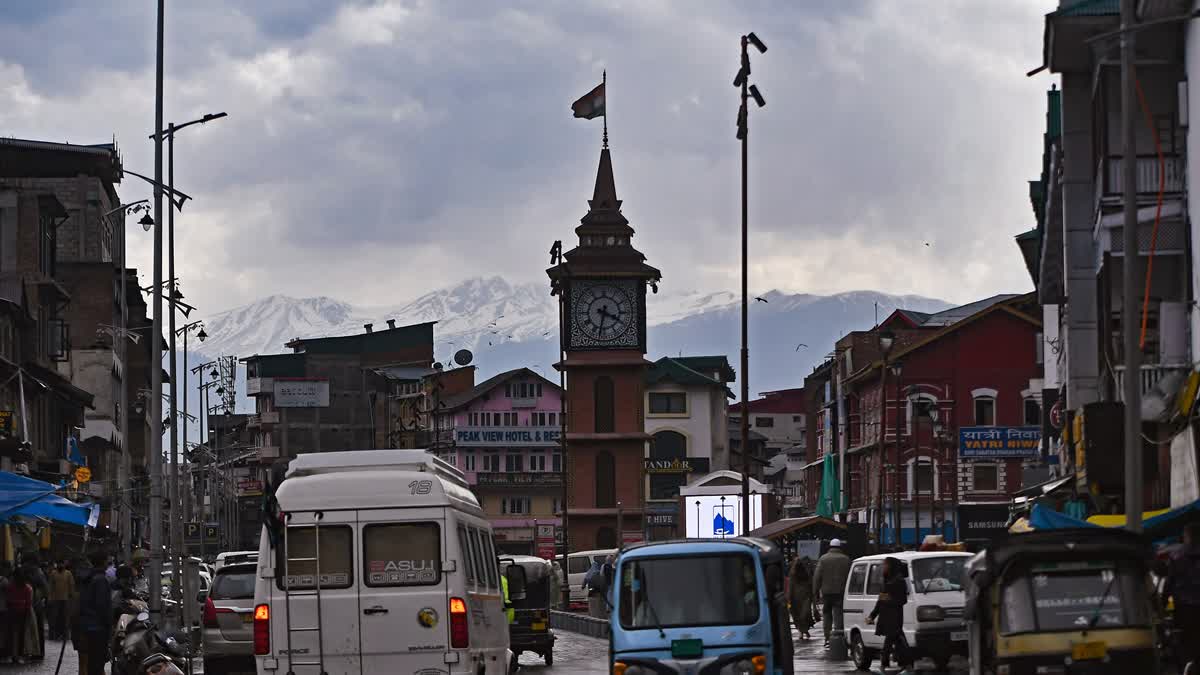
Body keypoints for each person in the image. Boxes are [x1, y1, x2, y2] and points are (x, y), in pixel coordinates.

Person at [866, 557, 911, 671]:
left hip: (895, 616)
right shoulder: (886, 579)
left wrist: (889, 599)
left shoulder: (899, 580)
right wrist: (872, 615)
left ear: (892, 566)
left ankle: (886, 663)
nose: (884, 567)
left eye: (886, 565)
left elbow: (902, 600)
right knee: (897, 640)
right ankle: (905, 663)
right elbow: (880, 600)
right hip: (885, 616)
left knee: (892, 639)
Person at [1165, 522, 1200, 670]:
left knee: (1185, 642)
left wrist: (1161, 603)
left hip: (1183, 608)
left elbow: (1169, 583)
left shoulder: (1176, 555)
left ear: (1186, 536)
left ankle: (1187, 667)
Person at [74, 551, 111, 675]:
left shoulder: (87, 578)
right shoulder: (101, 580)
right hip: (97, 628)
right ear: (104, 562)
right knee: (96, 664)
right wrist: (108, 625)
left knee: (90, 664)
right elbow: (102, 607)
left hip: (84, 625)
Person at [812, 538, 851, 647]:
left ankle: (827, 638)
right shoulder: (846, 559)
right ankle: (838, 637)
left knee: (827, 615)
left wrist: (815, 592)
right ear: (840, 547)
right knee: (838, 614)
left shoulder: (823, 559)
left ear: (830, 547)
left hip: (827, 593)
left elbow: (817, 576)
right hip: (841, 593)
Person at [6, 567, 31, 663]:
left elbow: (8, 599)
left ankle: (14, 654)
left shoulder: (10, 586)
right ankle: (19, 654)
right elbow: (28, 603)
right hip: (22, 612)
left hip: (13, 611)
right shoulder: (27, 588)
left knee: (14, 634)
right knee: (21, 634)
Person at [788, 556, 815, 640]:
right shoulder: (806, 573)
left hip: (796, 597)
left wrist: (789, 598)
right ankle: (804, 630)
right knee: (804, 615)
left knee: (798, 615)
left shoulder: (792, 574)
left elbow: (791, 586)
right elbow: (810, 584)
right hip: (805, 596)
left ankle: (802, 630)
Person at [47, 560, 74, 641]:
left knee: (65, 618)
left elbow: (71, 585)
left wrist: (72, 597)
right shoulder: (53, 573)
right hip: (55, 599)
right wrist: (49, 598)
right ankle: (54, 635)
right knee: (54, 618)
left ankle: (65, 635)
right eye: (59, 563)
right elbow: (50, 586)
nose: (60, 565)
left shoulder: (68, 573)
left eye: (61, 563)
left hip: (65, 599)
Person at [585, 555, 614, 619]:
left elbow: (585, 580)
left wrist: (583, 586)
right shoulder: (600, 573)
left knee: (593, 609)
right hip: (599, 592)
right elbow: (602, 589)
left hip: (591, 594)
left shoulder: (591, 573)